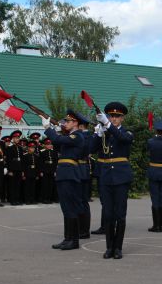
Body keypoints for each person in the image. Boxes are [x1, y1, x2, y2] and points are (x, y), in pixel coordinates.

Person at [89, 102, 134, 259]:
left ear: (122, 118)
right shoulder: (104, 133)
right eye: (111, 116)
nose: (114, 118)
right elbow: (90, 149)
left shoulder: (127, 132)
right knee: (108, 214)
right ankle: (109, 247)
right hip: (105, 177)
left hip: (121, 177)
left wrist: (107, 125)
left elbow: (123, 139)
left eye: (117, 116)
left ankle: (118, 248)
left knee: (120, 214)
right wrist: (98, 134)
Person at [43, 110, 85, 251]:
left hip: (70, 174)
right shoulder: (68, 136)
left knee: (71, 207)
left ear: (76, 123)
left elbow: (58, 140)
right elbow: (57, 145)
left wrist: (48, 128)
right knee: (66, 208)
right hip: (63, 173)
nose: (65, 123)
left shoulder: (77, 135)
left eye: (68, 121)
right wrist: (56, 130)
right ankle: (67, 238)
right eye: (65, 121)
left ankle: (74, 240)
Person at [77, 116, 93, 239]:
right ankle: (82, 229)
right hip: (81, 169)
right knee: (81, 201)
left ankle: (83, 230)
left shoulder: (85, 136)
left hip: (80, 170)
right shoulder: (86, 135)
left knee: (81, 201)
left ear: (81, 126)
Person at [6, 130, 24, 206]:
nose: (17, 139)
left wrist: (22, 170)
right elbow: (8, 160)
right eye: (16, 138)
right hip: (13, 169)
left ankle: (17, 199)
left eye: (18, 138)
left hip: (19, 168)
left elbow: (22, 160)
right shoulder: (10, 148)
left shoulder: (20, 148)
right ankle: (12, 200)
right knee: (12, 185)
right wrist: (9, 170)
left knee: (18, 185)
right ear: (13, 138)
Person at [39, 138, 57, 204]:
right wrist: (41, 171)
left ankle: (49, 198)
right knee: (45, 185)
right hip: (45, 170)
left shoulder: (54, 152)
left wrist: (55, 171)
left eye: (50, 144)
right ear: (45, 145)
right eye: (47, 144)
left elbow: (55, 162)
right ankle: (44, 198)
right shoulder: (42, 152)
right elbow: (40, 162)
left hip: (52, 170)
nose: (49, 145)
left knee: (51, 185)